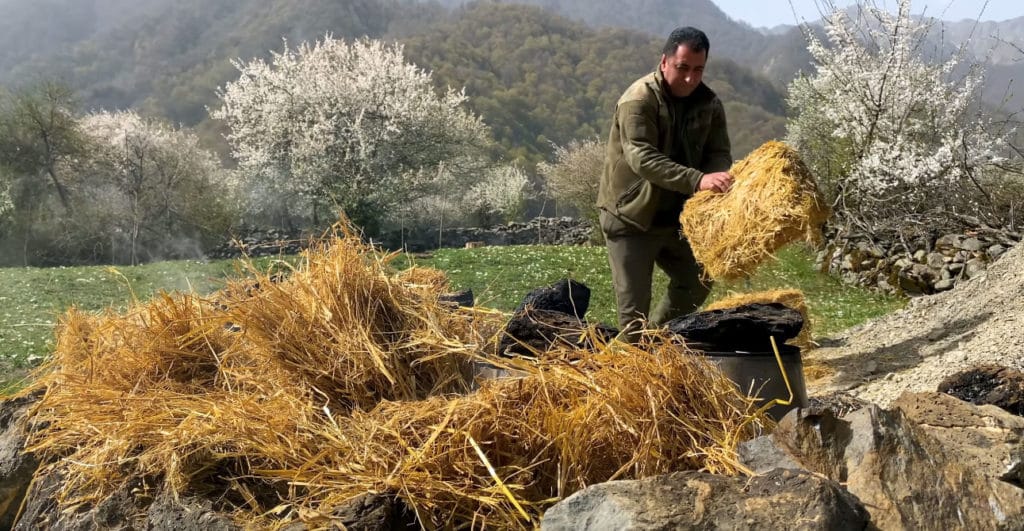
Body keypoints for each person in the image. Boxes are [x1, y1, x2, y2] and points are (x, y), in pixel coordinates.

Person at [596, 26, 734, 334]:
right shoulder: (638, 100)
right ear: (664, 62)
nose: (690, 78)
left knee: (698, 279)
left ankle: (658, 343)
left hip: (677, 218)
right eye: (682, 68)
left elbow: (719, 152)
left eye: (698, 70)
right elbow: (642, 158)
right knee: (633, 319)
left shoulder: (709, 103)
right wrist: (699, 180)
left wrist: (717, 177)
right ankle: (632, 367)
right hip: (630, 217)